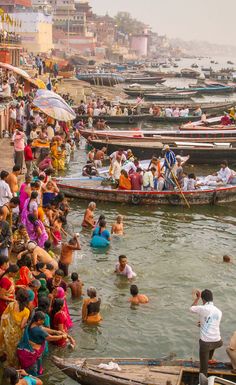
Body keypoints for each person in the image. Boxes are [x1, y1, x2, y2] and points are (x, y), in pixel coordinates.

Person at [17, 311, 67, 376]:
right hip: (32, 356)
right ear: (38, 320)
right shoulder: (37, 330)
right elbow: (50, 338)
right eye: (42, 321)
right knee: (33, 372)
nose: (43, 322)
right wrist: (62, 336)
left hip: (31, 352)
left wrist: (56, 332)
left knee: (34, 368)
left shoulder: (31, 324)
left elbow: (43, 328)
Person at [190, 289, 223, 376]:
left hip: (206, 344)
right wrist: (202, 324)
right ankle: (209, 359)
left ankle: (203, 380)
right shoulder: (219, 311)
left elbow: (191, 308)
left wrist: (197, 298)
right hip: (218, 342)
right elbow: (212, 324)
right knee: (212, 342)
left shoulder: (203, 308)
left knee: (203, 370)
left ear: (203, 299)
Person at [0, 288, 30, 366]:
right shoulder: (26, 311)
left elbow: (3, 317)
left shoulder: (11, 305)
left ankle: (5, 359)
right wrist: (27, 324)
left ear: (17, 297)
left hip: (8, 332)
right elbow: (22, 326)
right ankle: (13, 365)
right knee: (14, 350)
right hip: (16, 335)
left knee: (7, 347)